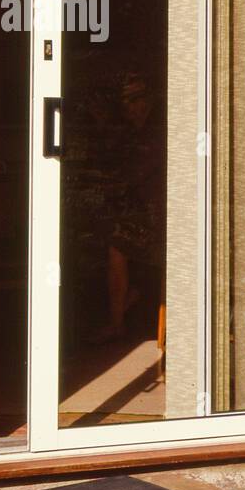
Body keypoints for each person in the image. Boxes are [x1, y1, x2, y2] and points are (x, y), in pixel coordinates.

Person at [89, 73, 165, 344]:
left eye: (136, 99)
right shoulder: (134, 132)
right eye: (126, 102)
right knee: (102, 232)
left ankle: (116, 320)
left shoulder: (157, 132)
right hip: (144, 214)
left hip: (161, 221)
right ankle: (125, 303)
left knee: (115, 244)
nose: (131, 107)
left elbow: (133, 175)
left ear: (150, 99)